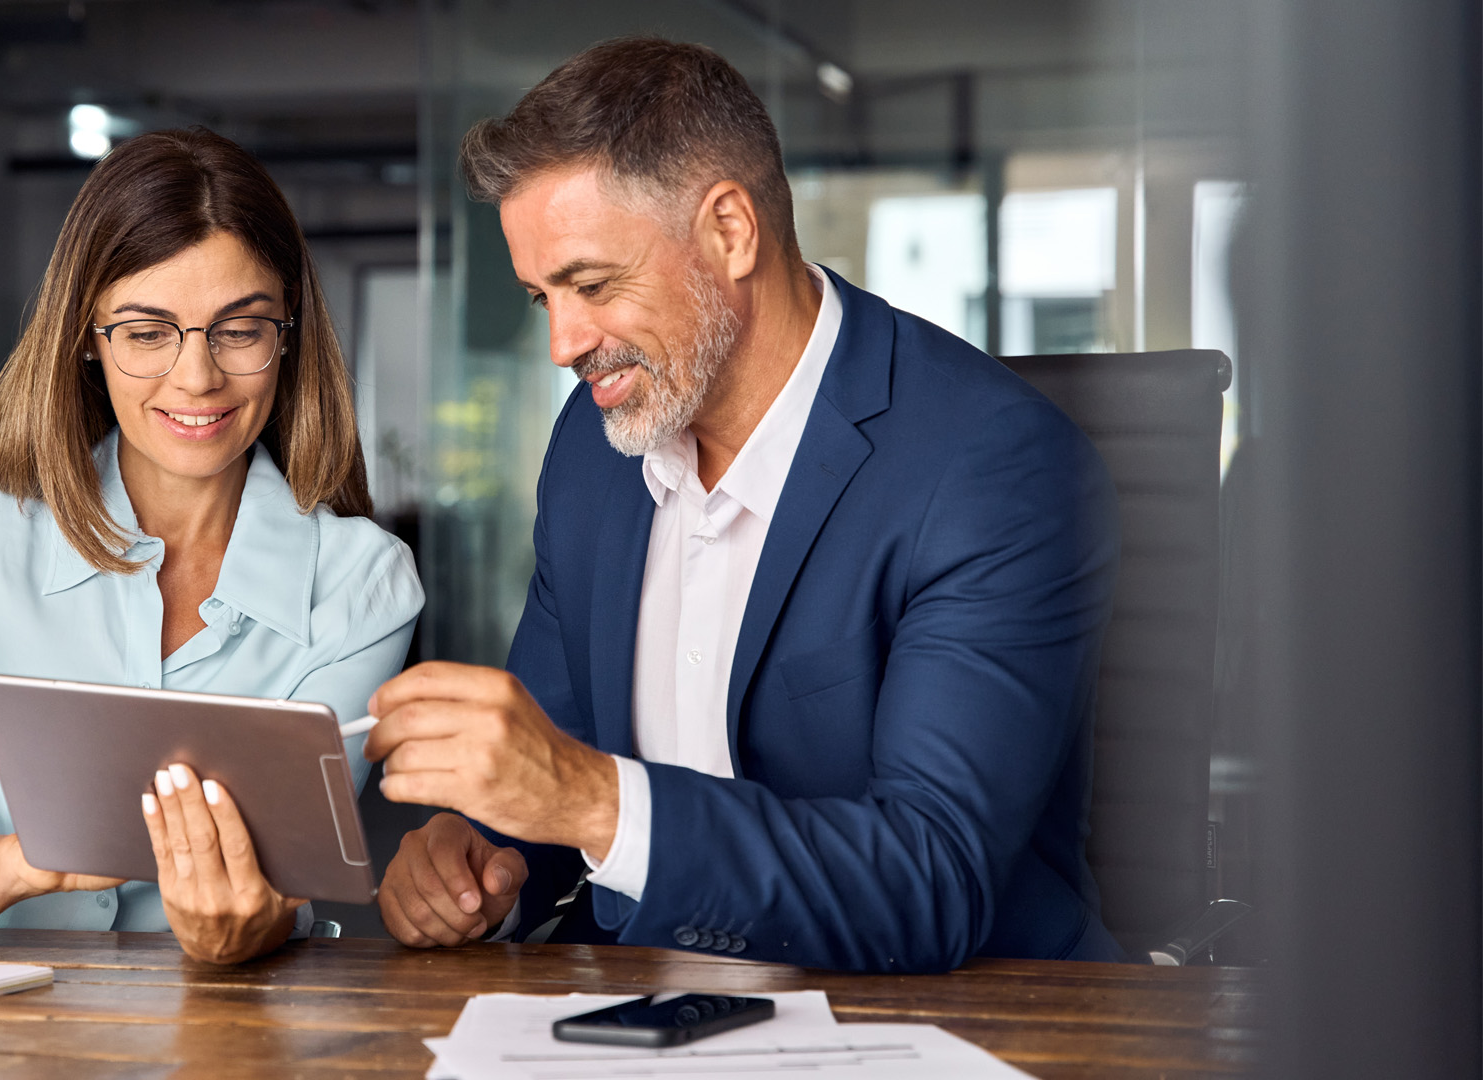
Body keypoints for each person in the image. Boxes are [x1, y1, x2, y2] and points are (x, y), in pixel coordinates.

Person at [365, 38, 1122, 972]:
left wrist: (593, 803)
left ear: (730, 229)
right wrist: (481, 858)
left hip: (941, 1018)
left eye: (593, 285)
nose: (563, 343)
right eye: (540, 298)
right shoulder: (593, 451)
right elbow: (557, 764)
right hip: (637, 1006)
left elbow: (934, 881)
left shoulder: (991, 469)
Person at [0, 128, 423, 964]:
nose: (197, 377)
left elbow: (286, 881)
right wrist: (37, 858)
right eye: (147, 332)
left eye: (239, 330)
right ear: (88, 341)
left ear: (288, 335)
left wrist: (245, 924)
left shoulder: (362, 583)